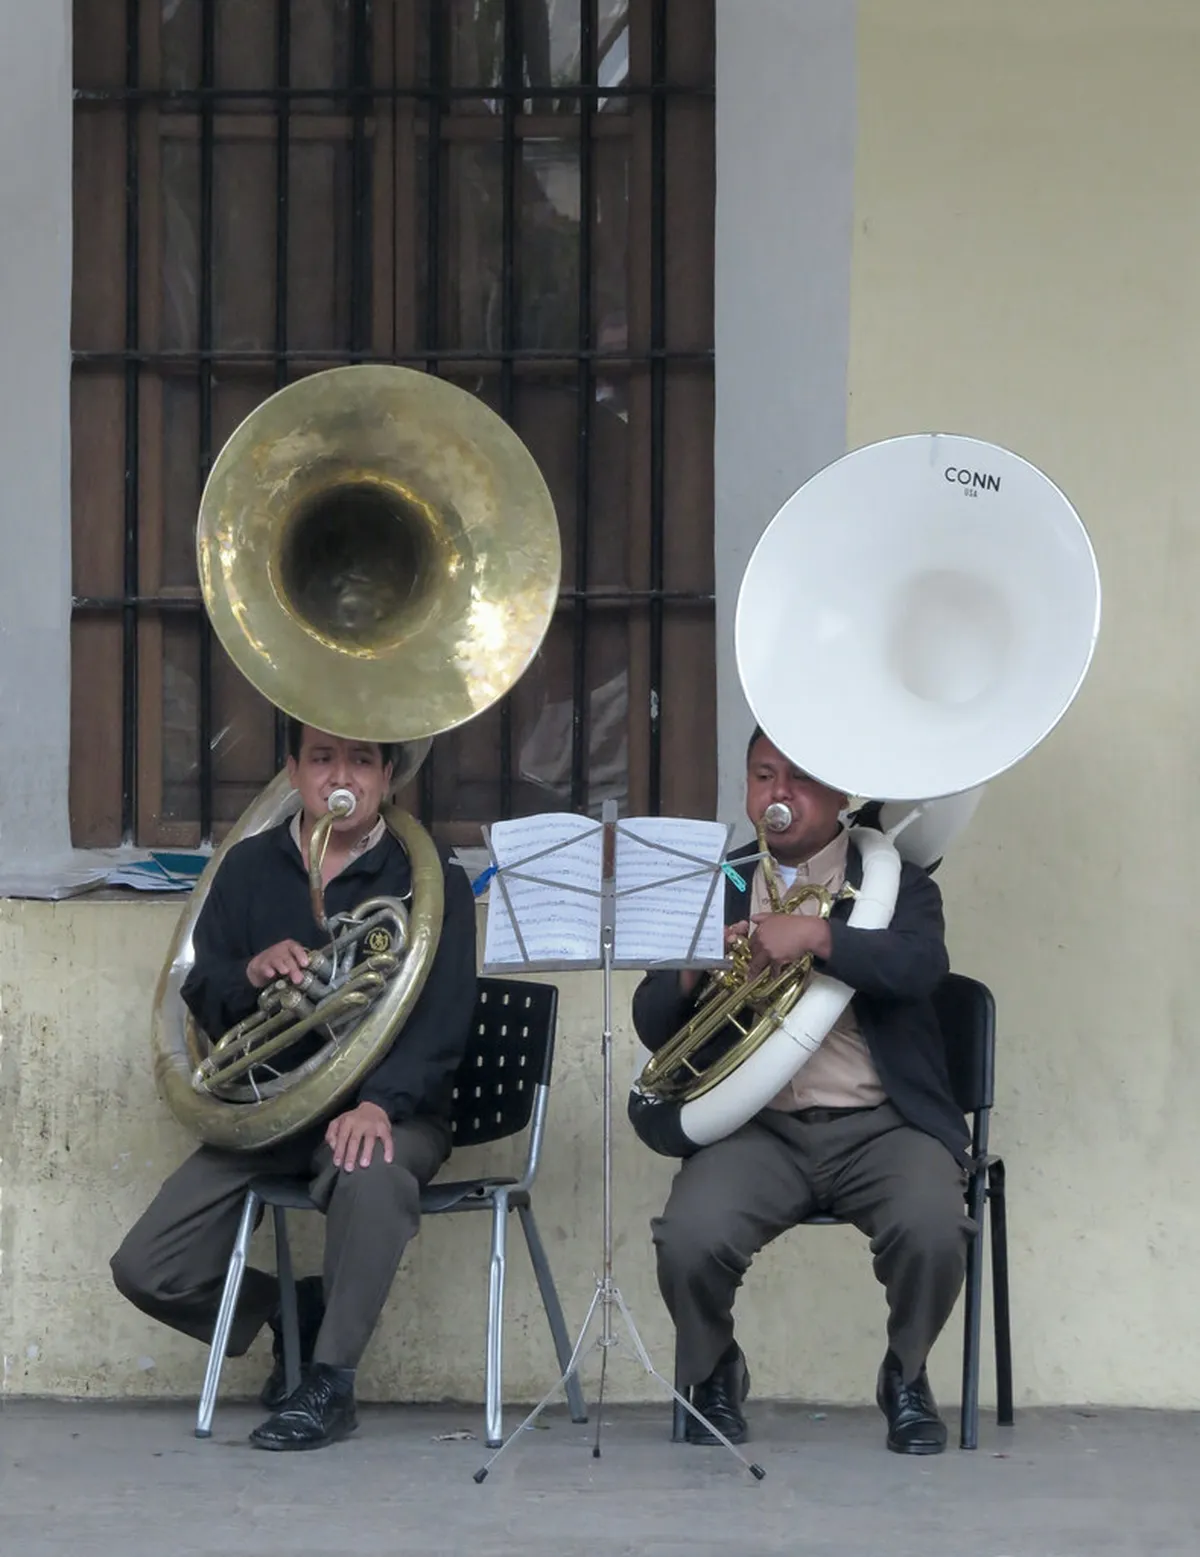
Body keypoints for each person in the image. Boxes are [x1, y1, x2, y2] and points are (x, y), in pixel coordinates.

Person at [111, 720, 478, 1451]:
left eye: (360, 758)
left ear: (388, 774)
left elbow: (443, 1020)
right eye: (322, 757)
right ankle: (290, 1310)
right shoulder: (246, 869)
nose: (341, 774)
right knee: (147, 1265)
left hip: (386, 1110)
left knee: (372, 1176)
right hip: (271, 1105)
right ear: (293, 770)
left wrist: (381, 1101)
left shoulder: (429, 876)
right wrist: (249, 976)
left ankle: (329, 1383)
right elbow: (202, 989)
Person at [631, 728, 973, 1455]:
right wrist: (692, 969)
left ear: (843, 792)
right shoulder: (719, 879)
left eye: (799, 778)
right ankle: (716, 1369)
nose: (776, 796)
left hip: (883, 1124)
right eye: (762, 776)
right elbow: (651, 1022)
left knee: (935, 1225)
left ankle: (905, 1374)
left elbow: (919, 966)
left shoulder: (899, 881)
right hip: (761, 1131)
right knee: (688, 1238)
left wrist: (818, 936)